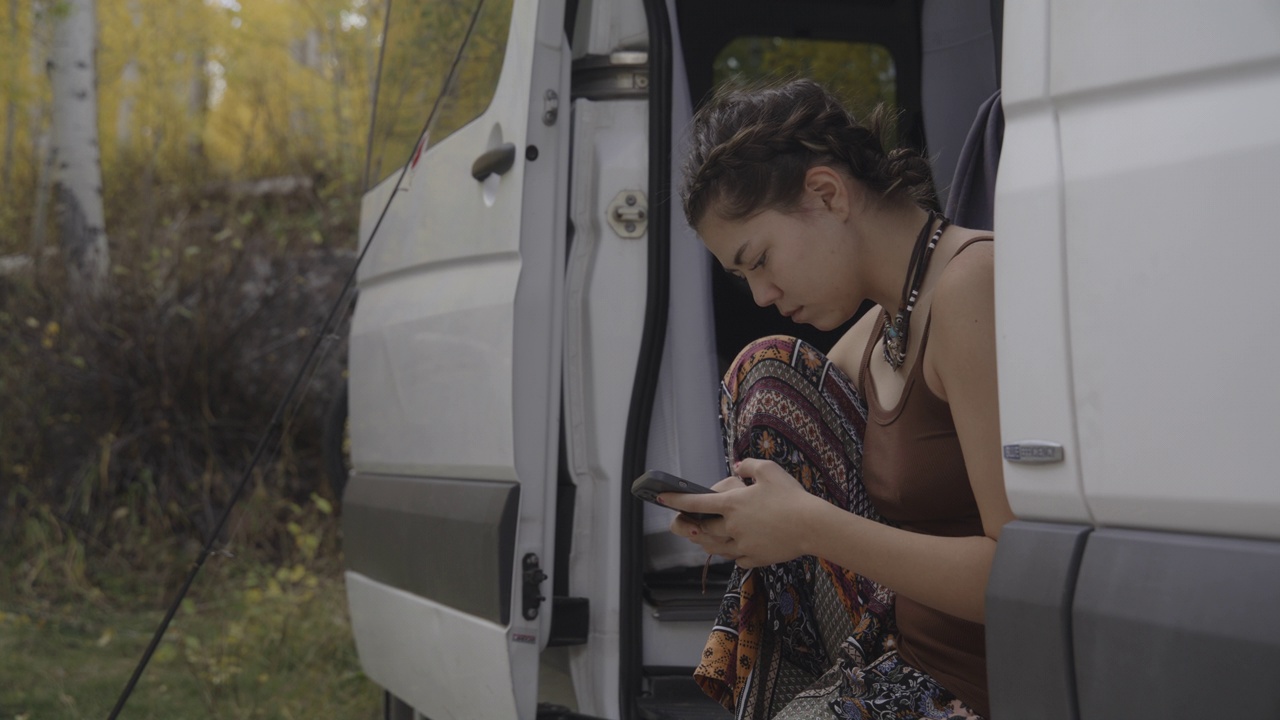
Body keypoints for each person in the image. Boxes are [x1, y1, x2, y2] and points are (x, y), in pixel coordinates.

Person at [659, 78, 1014, 720]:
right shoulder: (885, 324)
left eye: (760, 259)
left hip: (979, 688)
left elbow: (1021, 579)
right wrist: (743, 516)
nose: (762, 294)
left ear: (827, 193)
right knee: (762, 373)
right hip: (897, 652)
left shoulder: (969, 288)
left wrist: (803, 525)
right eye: (744, 278)